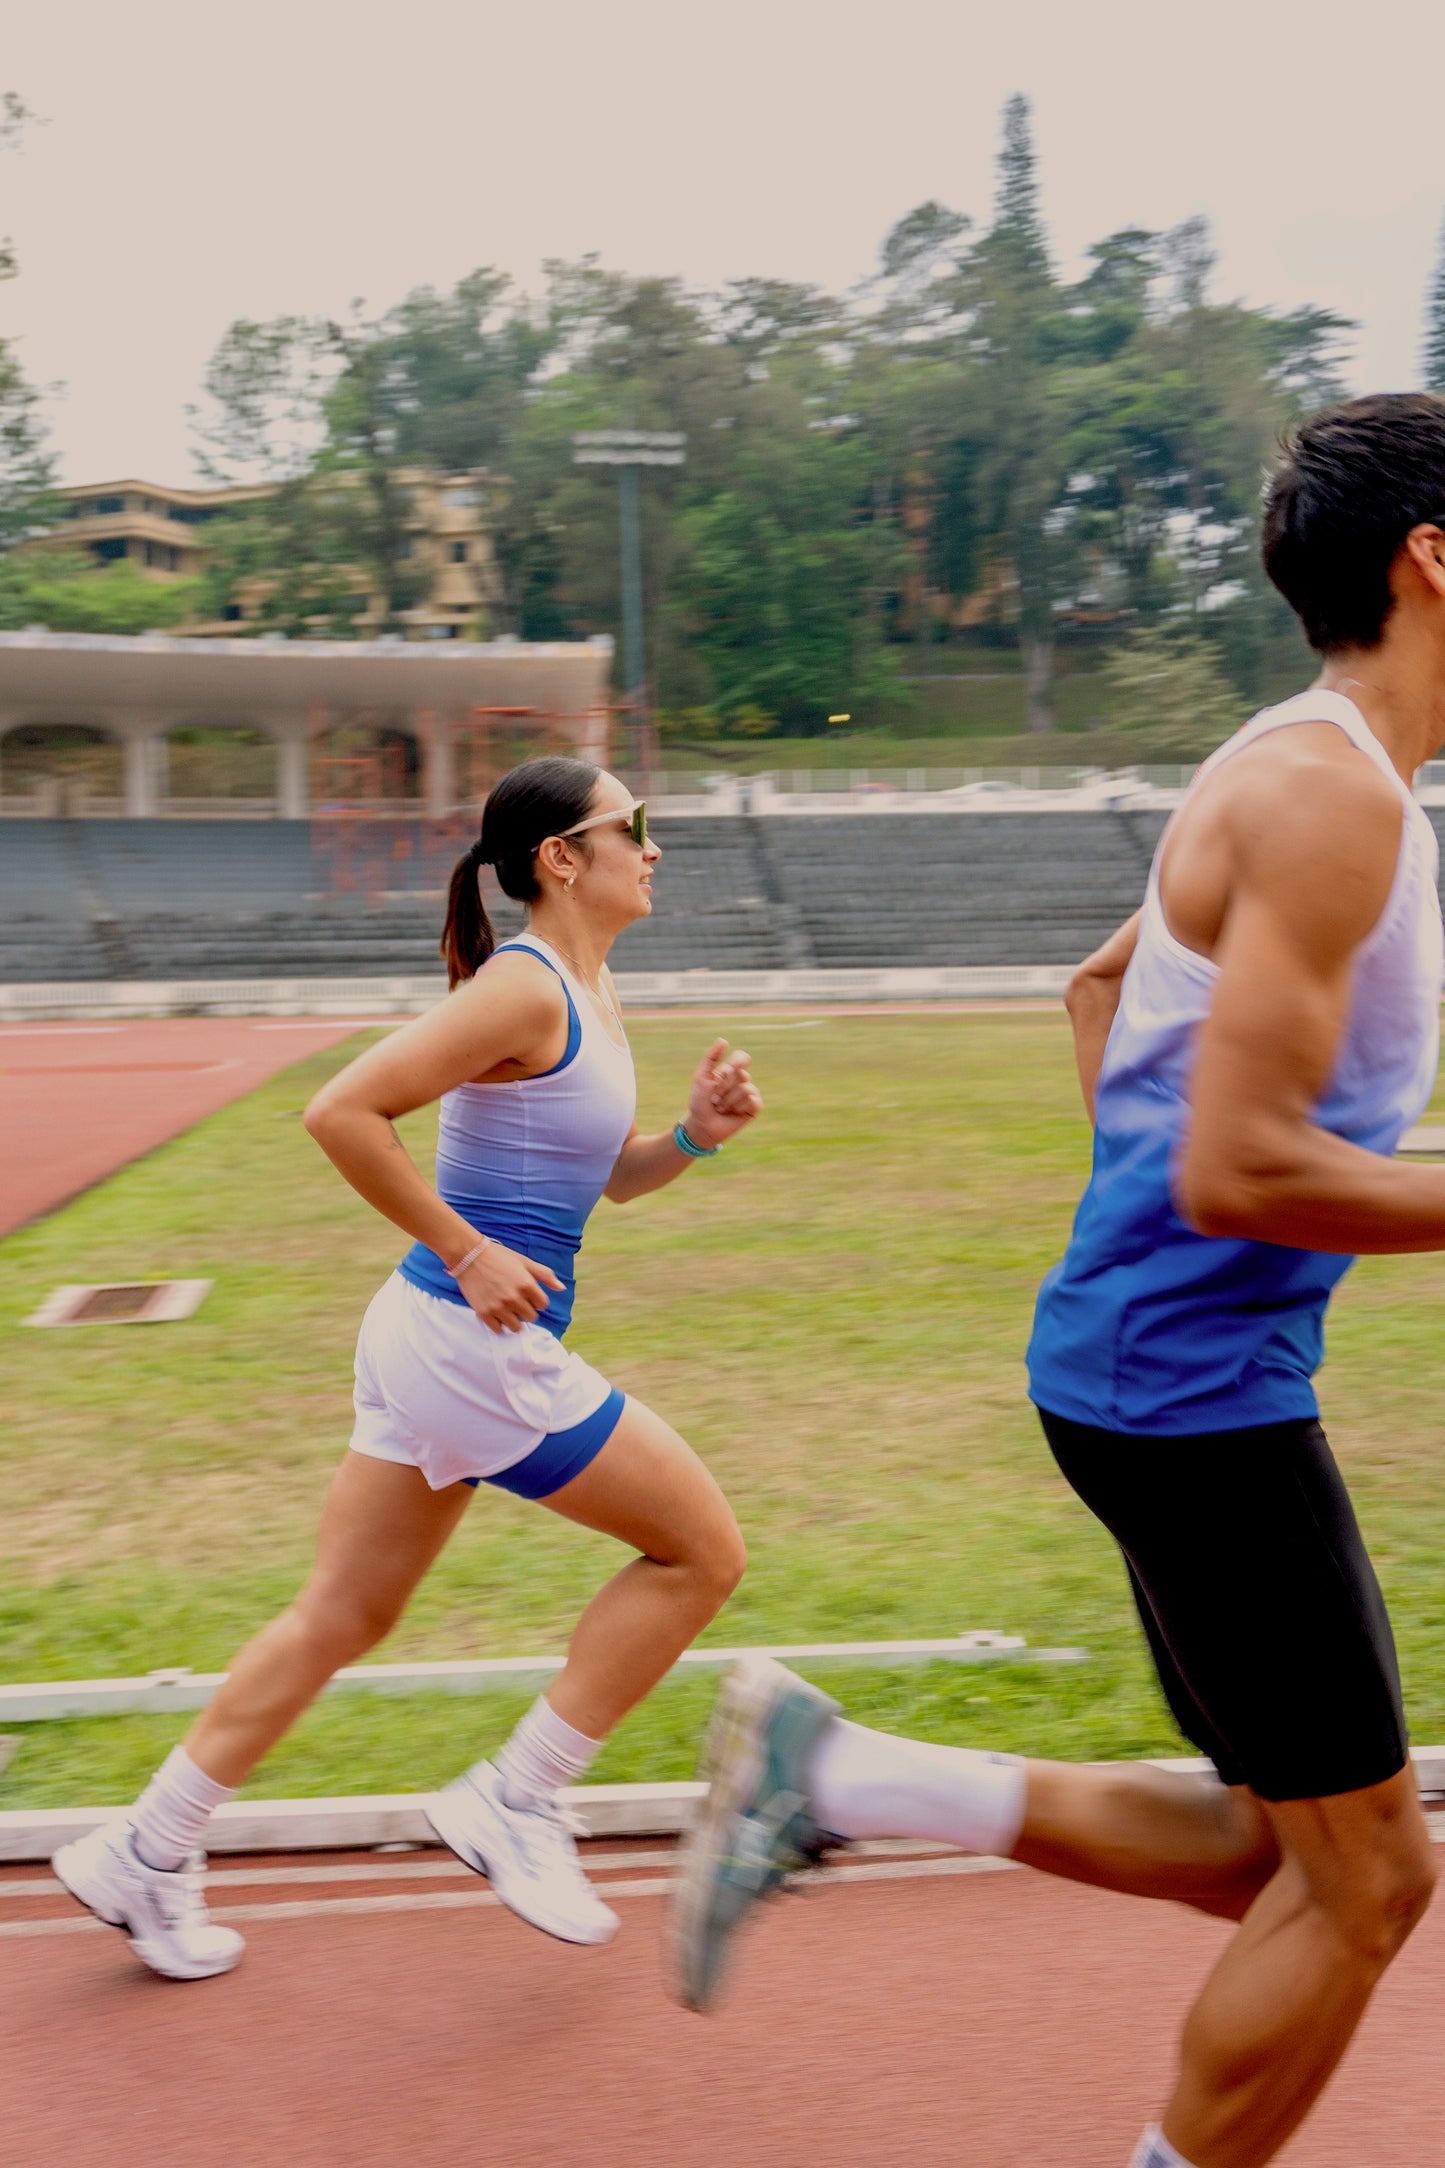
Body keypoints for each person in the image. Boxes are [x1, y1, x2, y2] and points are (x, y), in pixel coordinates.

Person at [672, 392, 1445, 2168]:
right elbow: (1238, 1162)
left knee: (1290, 1849)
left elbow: (1097, 991)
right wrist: (1185, 1247)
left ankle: (839, 1770)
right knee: (1376, 1878)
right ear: (1432, 558)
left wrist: (1154, 1250)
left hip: (1153, 1372)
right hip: (1193, 1403)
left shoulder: (1305, 766)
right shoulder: (1332, 802)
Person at [54, 755, 757, 1979]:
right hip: (466, 1336)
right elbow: (339, 1111)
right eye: (632, 825)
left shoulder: (590, 989)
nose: (655, 845)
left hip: (434, 1337)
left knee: (344, 1611)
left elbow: (602, 1182)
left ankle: (144, 1848)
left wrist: (693, 1134)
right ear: (560, 858)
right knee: (701, 1550)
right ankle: (515, 1796)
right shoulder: (522, 988)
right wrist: (469, 1248)